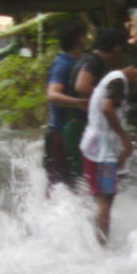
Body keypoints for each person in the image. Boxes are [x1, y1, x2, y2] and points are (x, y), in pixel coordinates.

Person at [79, 53, 137, 245]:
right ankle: (101, 246)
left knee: (99, 197)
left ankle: (93, 242)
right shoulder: (119, 82)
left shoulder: (112, 77)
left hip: (94, 147)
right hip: (104, 153)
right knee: (106, 198)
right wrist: (125, 138)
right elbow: (107, 108)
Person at [62, 27, 127, 184]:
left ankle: (102, 206)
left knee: (92, 183)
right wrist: (106, 102)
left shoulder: (90, 59)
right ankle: (97, 206)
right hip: (81, 128)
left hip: (85, 130)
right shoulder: (94, 61)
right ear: (117, 48)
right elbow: (82, 86)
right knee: (91, 183)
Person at [44, 19, 88, 189]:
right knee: (61, 186)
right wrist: (79, 103)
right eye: (85, 36)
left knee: (73, 184)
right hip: (60, 133)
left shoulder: (76, 62)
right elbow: (52, 95)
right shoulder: (63, 64)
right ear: (79, 39)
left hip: (71, 133)